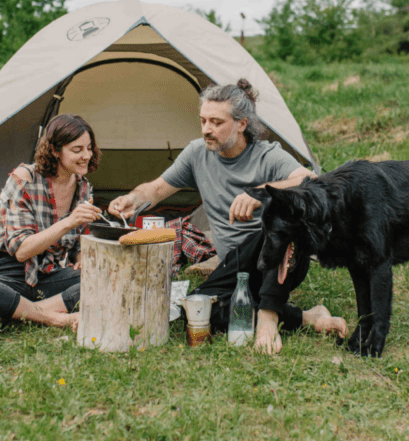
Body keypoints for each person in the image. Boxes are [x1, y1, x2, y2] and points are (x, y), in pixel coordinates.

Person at [109, 79, 347, 354]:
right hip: (234, 265)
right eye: (203, 121)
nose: (206, 130)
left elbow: (312, 181)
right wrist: (132, 199)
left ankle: (268, 317)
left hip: (279, 260)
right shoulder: (197, 153)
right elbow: (158, 188)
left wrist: (261, 193)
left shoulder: (268, 156)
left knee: (283, 215)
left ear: (242, 124)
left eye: (216, 122)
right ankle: (308, 317)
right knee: (199, 310)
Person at [0, 114, 103, 329]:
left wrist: (81, 256)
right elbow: (22, 251)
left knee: (108, 275)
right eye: (77, 150)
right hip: (5, 272)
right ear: (55, 151)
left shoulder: (83, 187)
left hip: (46, 275)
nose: (86, 155)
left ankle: (14, 312)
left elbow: (77, 244)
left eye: (89, 148)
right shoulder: (25, 178)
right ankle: (52, 317)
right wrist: (69, 222)